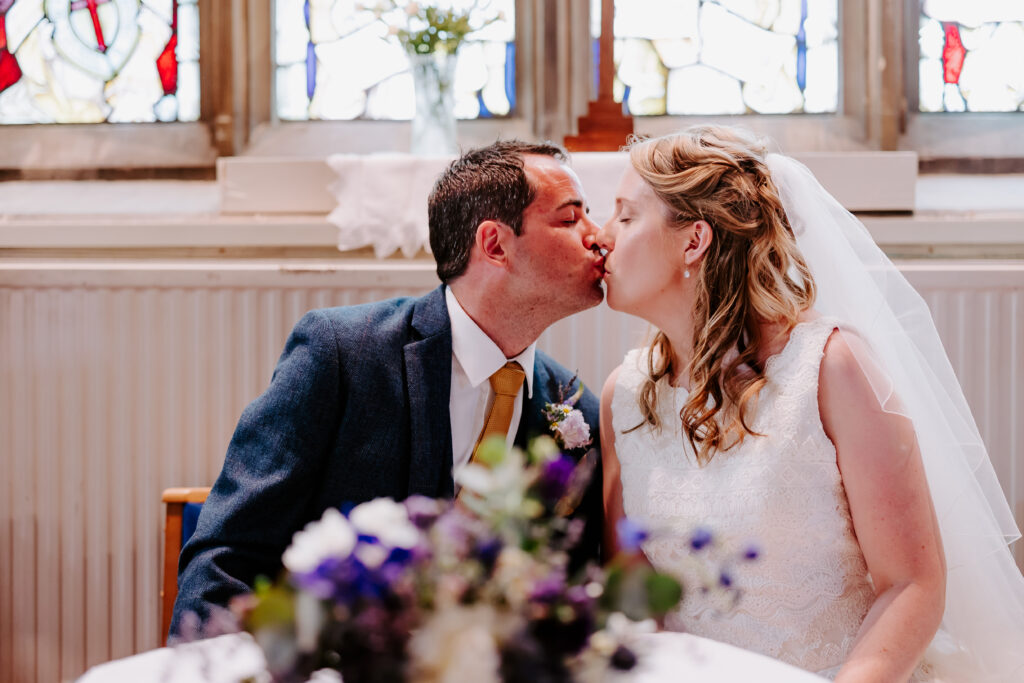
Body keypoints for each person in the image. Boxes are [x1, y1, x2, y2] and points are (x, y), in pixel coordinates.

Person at [596, 126, 1024, 681]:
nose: (602, 236)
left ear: (693, 241)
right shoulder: (625, 397)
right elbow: (633, 595)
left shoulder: (830, 369)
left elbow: (912, 585)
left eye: (626, 216)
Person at [171, 140, 607, 635]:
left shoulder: (576, 411)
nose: (601, 237)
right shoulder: (341, 355)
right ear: (495, 245)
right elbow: (230, 554)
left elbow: (570, 600)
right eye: (572, 219)